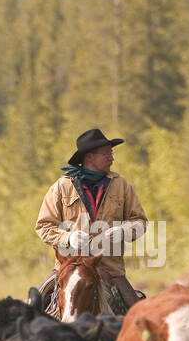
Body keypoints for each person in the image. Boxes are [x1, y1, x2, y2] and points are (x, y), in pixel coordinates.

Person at [35, 128, 148, 314]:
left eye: (111, 154)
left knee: (141, 318)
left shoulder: (122, 186)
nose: (112, 158)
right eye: (107, 154)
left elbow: (140, 221)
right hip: (67, 268)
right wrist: (67, 238)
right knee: (30, 309)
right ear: (90, 157)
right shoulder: (61, 187)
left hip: (111, 270)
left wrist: (124, 231)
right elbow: (43, 226)